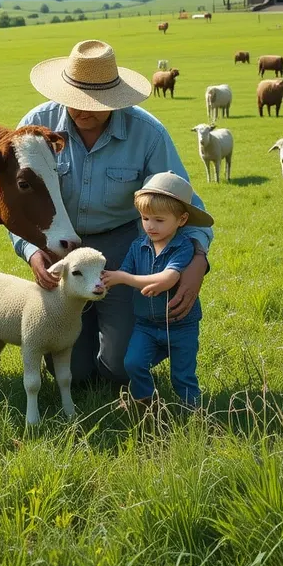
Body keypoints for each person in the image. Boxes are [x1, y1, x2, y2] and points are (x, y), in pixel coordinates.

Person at [9, 39, 213, 385]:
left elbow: (185, 206)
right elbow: (14, 203)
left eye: (95, 103)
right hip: (60, 249)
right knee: (73, 371)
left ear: (116, 98)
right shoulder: (35, 127)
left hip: (122, 252)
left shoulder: (147, 134)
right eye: (75, 102)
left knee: (119, 367)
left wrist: (198, 262)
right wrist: (31, 251)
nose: (83, 111)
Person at [101, 172, 214, 407]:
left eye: (159, 220)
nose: (150, 226)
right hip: (146, 325)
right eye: (145, 218)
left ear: (181, 220)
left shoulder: (183, 247)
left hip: (181, 326)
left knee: (182, 377)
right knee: (133, 363)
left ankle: (194, 415)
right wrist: (109, 279)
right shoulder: (137, 247)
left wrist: (123, 277)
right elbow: (123, 272)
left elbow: (167, 279)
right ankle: (146, 404)